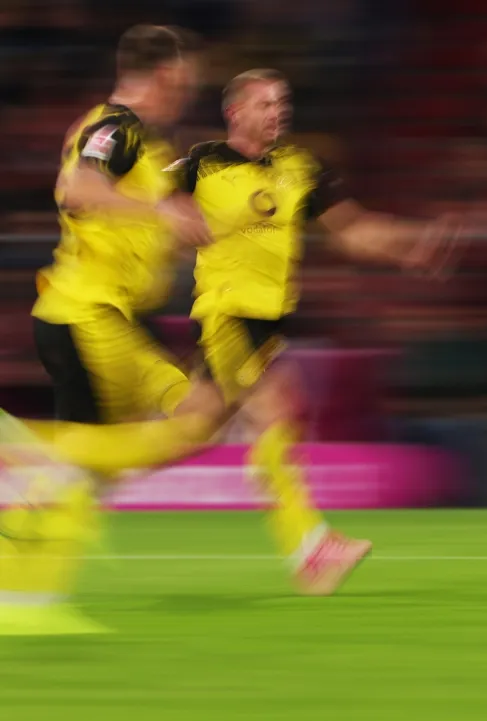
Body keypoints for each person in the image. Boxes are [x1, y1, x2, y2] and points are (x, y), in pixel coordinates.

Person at [169, 69, 463, 594]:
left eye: (282, 102)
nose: (277, 111)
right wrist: (166, 222)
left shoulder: (301, 167)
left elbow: (351, 230)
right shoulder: (201, 162)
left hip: (269, 320)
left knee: (186, 431)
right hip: (227, 313)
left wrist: (410, 243)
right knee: (278, 409)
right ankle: (311, 548)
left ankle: (65, 469)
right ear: (235, 111)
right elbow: (150, 203)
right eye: (264, 103)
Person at [0, 24, 231, 635]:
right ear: (164, 73)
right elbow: (82, 190)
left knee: (110, 461)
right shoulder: (116, 128)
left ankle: (23, 598)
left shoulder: (146, 146)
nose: (190, 90)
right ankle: (22, 462)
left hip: (105, 317)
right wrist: (161, 211)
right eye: (186, 79)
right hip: (88, 316)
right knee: (196, 417)